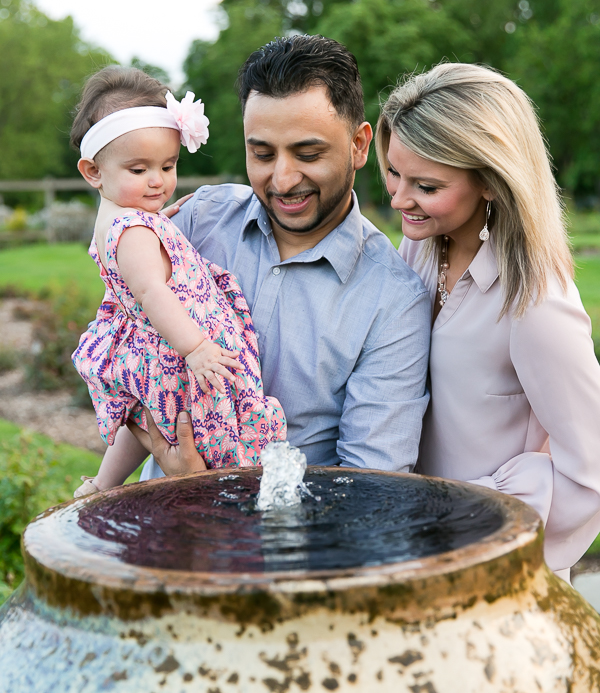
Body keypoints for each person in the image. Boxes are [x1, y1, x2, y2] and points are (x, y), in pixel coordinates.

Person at [132, 34, 431, 479]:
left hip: (290, 544)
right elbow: (123, 346)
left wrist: (203, 485)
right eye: (262, 154)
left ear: (360, 145)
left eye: (308, 154)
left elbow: (368, 487)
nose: (284, 179)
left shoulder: (393, 301)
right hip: (156, 531)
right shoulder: (197, 223)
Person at [375, 61, 600, 580]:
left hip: (491, 579)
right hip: (412, 557)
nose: (398, 199)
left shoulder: (535, 299)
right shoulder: (421, 245)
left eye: (427, 186)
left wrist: (482, 519)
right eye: (393, 172)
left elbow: (588, 469)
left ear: (493, 182)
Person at [70, 66, 286, 496]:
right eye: (138, 169)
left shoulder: (129, 218)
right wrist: (196, 346)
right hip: (175, 348)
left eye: (167, 165)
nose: (158, 180)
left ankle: (103, 483)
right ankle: (238, 486)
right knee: (203, 422)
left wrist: (158, 224)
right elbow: (152, 290)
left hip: (156, 348)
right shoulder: (133, 231)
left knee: (144, 413)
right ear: (93, 171)